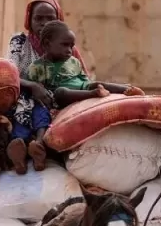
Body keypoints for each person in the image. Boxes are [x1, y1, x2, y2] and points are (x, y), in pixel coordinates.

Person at [12, 20, 143, 173]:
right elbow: (32, 89)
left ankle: (127, 89)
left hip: (82, 85)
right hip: (59, 96)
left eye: (71, 46)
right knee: (61, 92)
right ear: (47, 45)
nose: (69, 50)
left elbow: (84, 79)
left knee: (97, 83)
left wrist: (90, 85)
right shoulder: (37, 68)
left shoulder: (73, 62)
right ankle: (94, 94)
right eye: (65, 45)